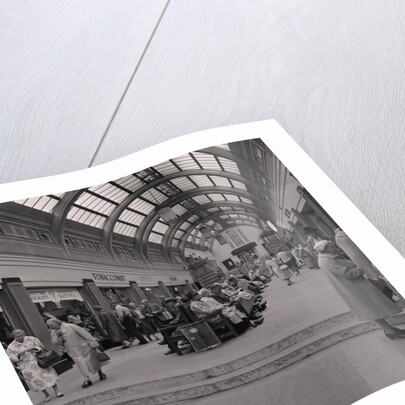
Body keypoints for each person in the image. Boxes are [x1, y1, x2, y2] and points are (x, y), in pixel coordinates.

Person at [314, 240, 405, 339]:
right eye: (331, 247)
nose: (334, 247)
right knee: (372, 309)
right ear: (324, 249)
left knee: (372, 309)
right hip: (356, 288)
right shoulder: (328, 261)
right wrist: (359, 269)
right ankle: (390, 331)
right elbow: (347, 274)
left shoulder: (327, 258)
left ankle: (389, 330)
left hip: (356, 287)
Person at [47, 318, 107, 388]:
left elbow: (85, 334)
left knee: (92, 361)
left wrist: (94, 344)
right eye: (49, 326)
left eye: (51, 325)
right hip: (72, 351)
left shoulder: (70, 326)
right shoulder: (54, 332)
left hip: (84, 347)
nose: (50, 327)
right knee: (80, 364)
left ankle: (101, 373)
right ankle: (87, 379)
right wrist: (57, 336)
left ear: (57, 322)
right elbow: (56, 343)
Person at [7, 329, 63, 402]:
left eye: (21, 335)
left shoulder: (31, 338)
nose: (21, 337)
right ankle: (46, 394)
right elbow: (11, 357)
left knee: (49, 375)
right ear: (14, 337)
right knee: (36, 380)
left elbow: (41, 346)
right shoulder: (11, 347)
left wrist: (35, 348)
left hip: (39, 360)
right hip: (27, 366)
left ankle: (57, 391)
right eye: (18, 336)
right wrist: (19, 354)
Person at [187, 291, 251, 334]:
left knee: (232, 309)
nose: (198, 294)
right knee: (229, 313)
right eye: (195, 294)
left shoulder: (198, 301)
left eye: (197, 293)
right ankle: (240, 328)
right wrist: (221, 306)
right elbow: (209, 311)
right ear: (192, 297)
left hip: (214, 314)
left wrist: (221, 306)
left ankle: (245, 323)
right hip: (209, 318)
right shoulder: (195, 304)